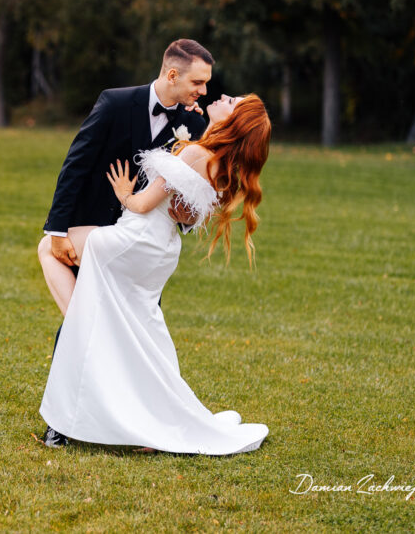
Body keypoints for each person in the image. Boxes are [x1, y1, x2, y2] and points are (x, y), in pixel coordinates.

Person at [38, 93, 272, 455]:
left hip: (135, 238)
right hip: (161, 251)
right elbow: (184, 215)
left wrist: (124, 193)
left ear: (233, 121)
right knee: (144, 326)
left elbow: (143, 204)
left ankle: (85, 327)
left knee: (47, 247)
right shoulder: (219, 166)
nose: (222, 96)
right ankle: (154, 411)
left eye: (231, 102)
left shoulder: (195, 154)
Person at [37, 39, 212, 447]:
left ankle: (144, 421)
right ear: (172, 74)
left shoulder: (194, 128)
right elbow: (77, 163)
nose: (203, 91)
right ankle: (63, 423)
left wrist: (179, 217)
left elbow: (189, 201)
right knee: (83, 318)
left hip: (144, 246)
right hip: (98, 229)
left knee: (138, 332)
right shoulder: (115, 103)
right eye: (197, 82)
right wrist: (58, 229)